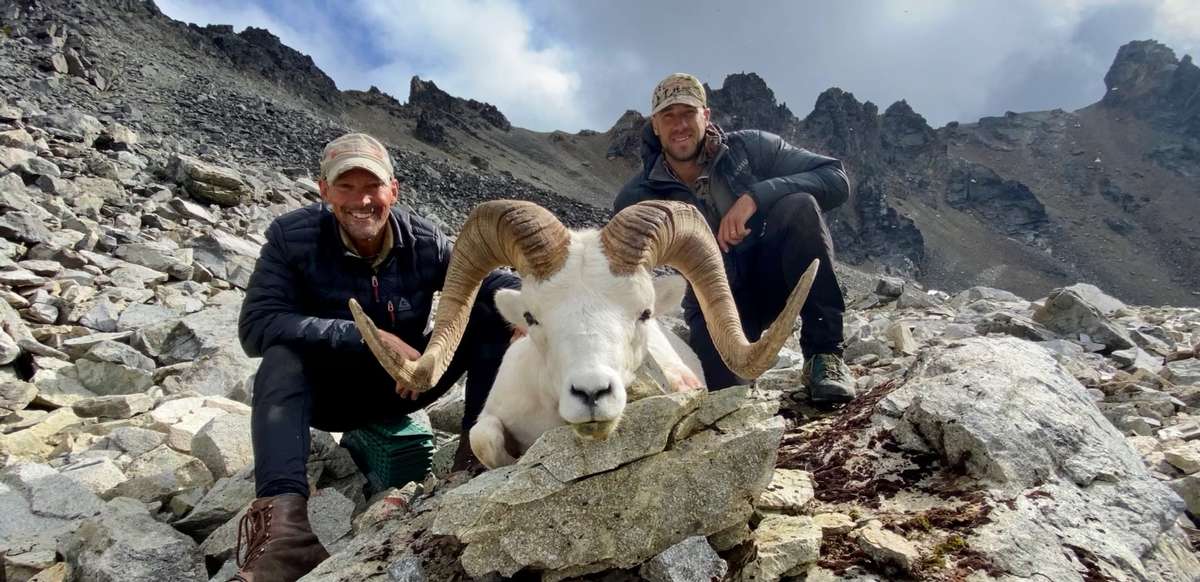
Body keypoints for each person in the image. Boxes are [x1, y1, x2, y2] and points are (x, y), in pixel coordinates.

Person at [232, 132, 518, 581]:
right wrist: (366, 337)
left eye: (372, 187)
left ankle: (474, 464)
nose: (360, 200)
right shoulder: (292, 238)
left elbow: (487, 278)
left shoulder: (425, 240)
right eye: (345, 187)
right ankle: (285, 538)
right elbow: (256, 327)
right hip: (329, 399)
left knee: (494, 313)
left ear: (393, 190)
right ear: (324, 190)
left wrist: (530, 306)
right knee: (281, 357)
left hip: (409, 383)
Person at [615, 73, 855, 404]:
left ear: (706, 115)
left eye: (688, 113)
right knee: (722, 399)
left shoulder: (750, 148)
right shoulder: (636, 197)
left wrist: (756, 197)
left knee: (799, 206)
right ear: (655, 125)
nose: (679, 125)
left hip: (770, 276)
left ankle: (824, 356)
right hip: (711, 305)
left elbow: (834, 178)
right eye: (668, 116)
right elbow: (622, 273)